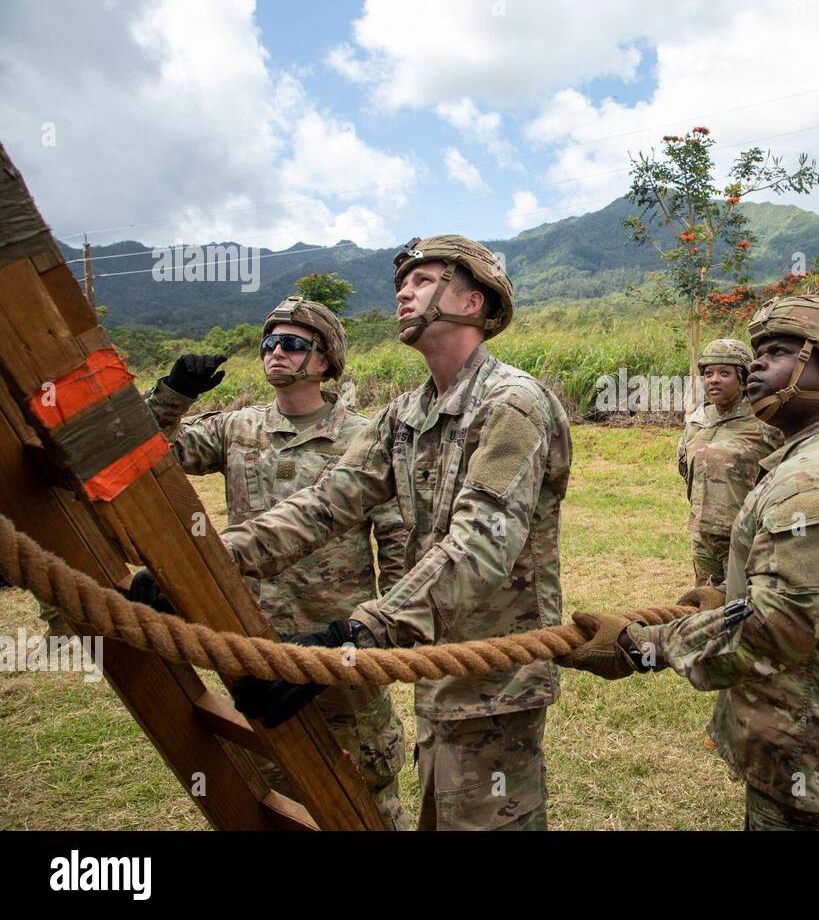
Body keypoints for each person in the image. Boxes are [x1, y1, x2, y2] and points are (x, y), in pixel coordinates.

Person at [147, 236, 572, 831]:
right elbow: (322, 505)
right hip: (440, 661)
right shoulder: (407, 415)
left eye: (424, 281)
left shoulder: (512, 404)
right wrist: (211, 565)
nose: (404, 291)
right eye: (403, 282)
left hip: (494, 672)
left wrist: (356, 632)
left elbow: (481, 545)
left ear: (473, 301)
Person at [559, 295, 819, 830]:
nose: (755, 366)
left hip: (815, 742)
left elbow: (779, 629)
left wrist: (641, 648)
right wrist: (728, 601)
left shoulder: (813, 478)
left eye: (776, 352)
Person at [140, 295, 412, 829]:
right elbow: (148, 458)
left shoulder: (365, 439)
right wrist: (172, 398)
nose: (276, 352)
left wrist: (383, 633)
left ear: (325, 360)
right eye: (269, 343)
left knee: (368, 795)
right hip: (252, 639)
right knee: (275, 794)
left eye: (293, 343)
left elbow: (400, 545)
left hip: (337, 646)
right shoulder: (236, 428)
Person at [678, 338, 781, 588]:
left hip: (745, 534)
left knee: (741, 605)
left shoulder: (765, 422)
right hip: (703, 533)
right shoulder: (699, 419)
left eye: (725, 373)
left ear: (744, 379)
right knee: (703, 603)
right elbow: (684, 464)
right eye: (708, 373)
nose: (714, 380)